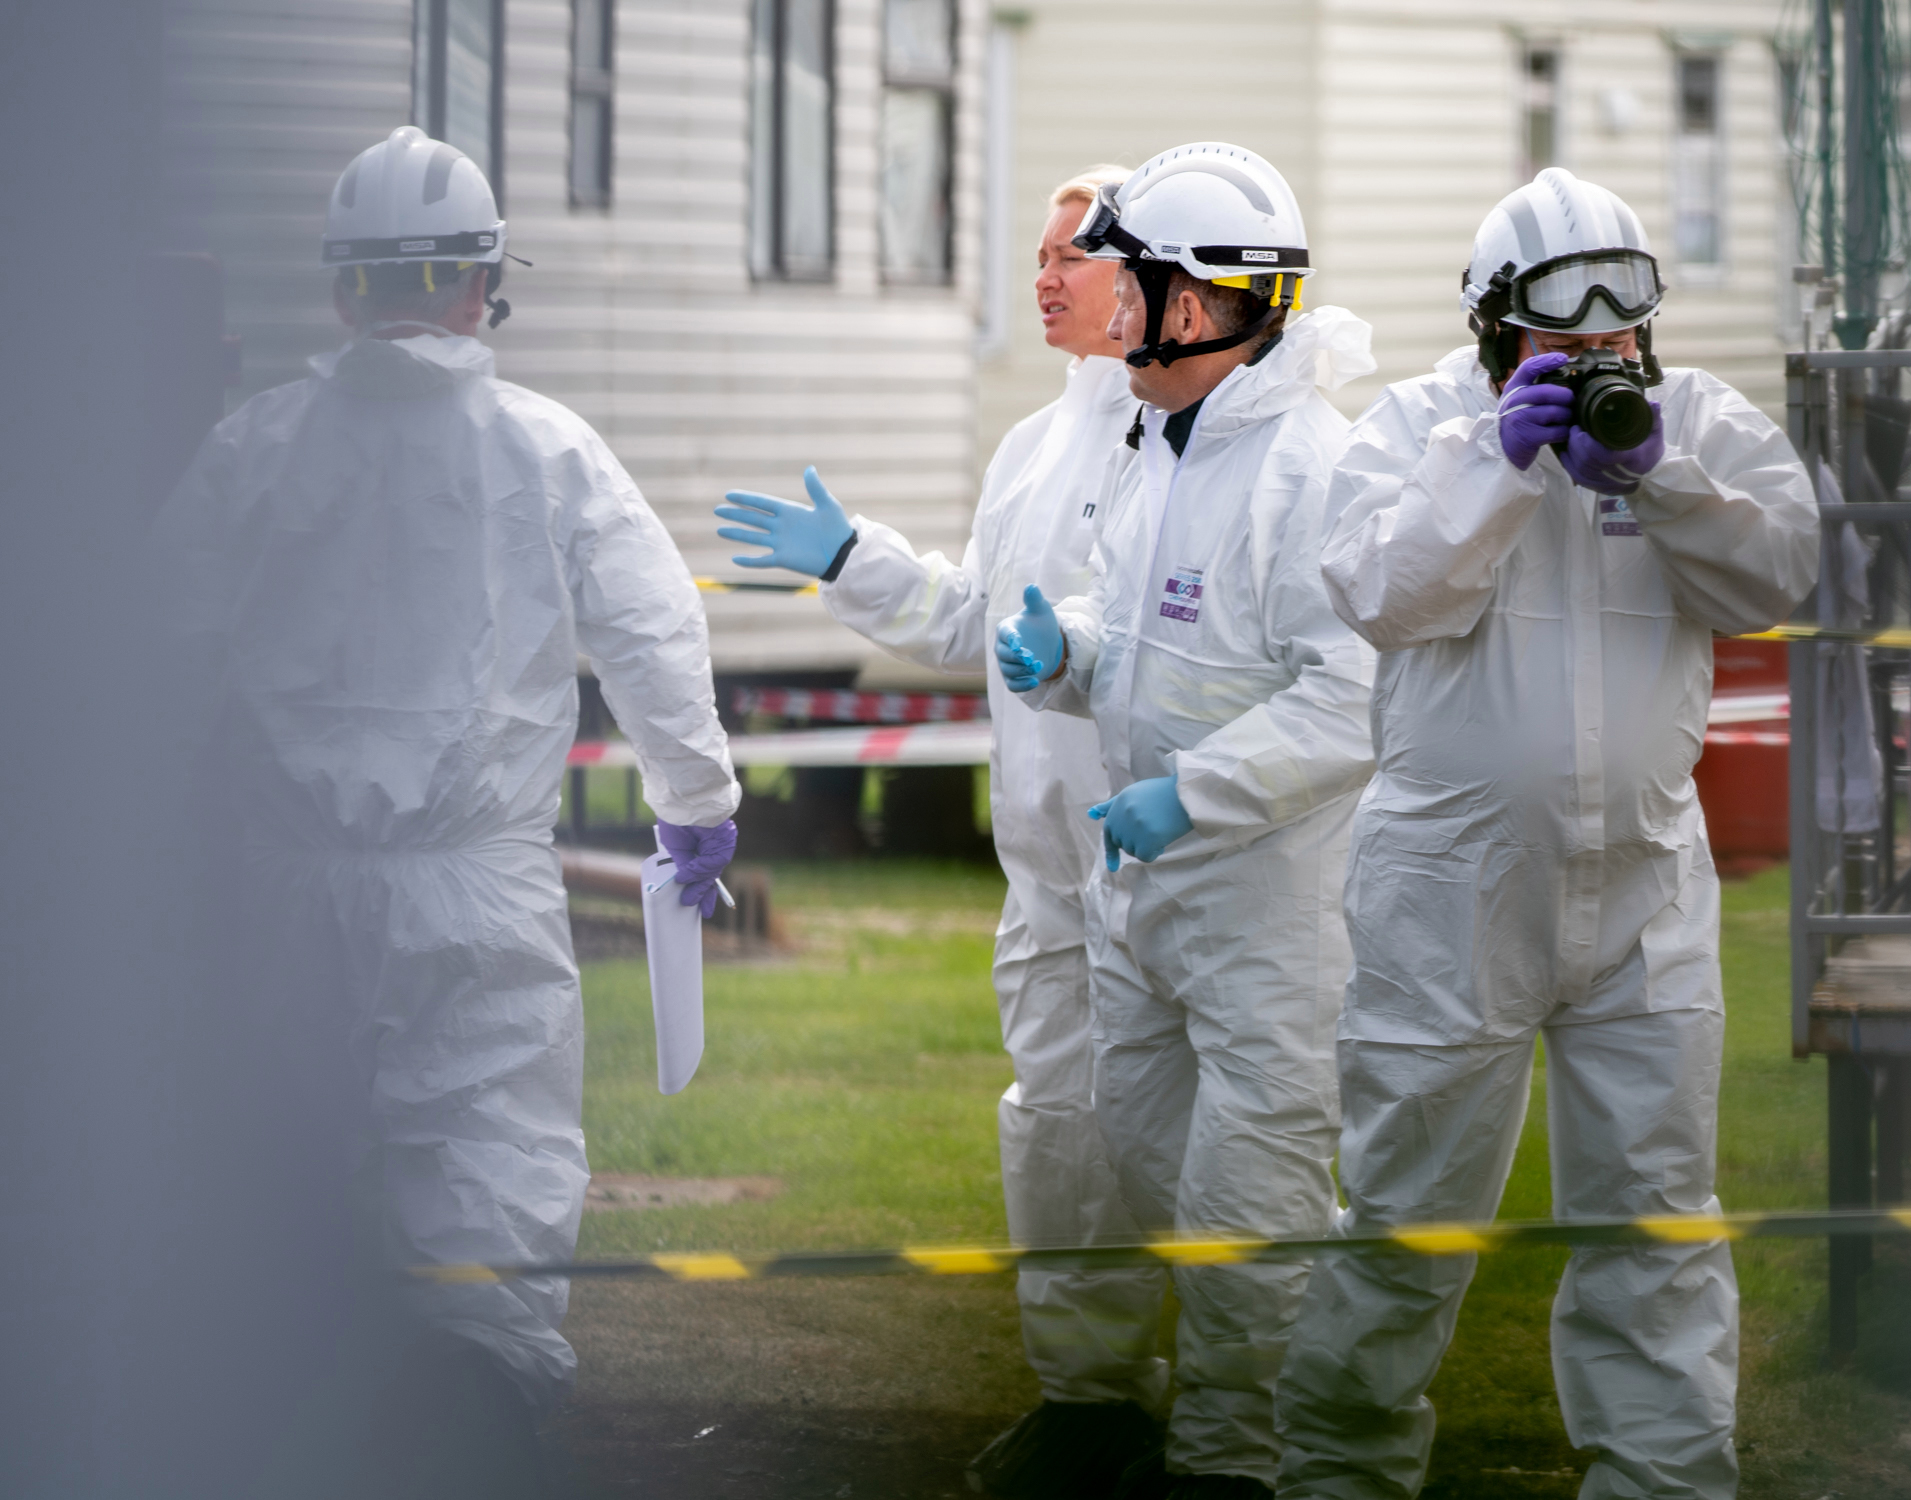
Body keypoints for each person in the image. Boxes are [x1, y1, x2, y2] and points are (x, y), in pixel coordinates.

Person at [161, 125, 741, 1495]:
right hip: (479, 880)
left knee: (280, 1150)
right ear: (485, 283)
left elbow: (151, 654)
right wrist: (696, 802)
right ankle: (476, 1409)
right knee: (488, 1143)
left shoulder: (253, 448)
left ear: (340, 289)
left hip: (278, 879)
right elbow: (655, 636)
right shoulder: (547, 450)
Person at [1273, 167, 1819, 1500]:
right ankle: (1337, 1473)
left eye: (1615, 329)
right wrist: (1497, 467)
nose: (1592, 356)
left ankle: (1664, 1481)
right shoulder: (1415, 427)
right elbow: (1376, 594)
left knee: (1655, 1215)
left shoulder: (1700, 422)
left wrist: (1661, 477)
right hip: (1450, 889)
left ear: (1649, 322)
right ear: (1490, 327)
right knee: (1404, 1212)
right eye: (1555, 332)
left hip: (1642, 878)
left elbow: (1782, 573)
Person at [713, 166, 1174, 1500]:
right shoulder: (1032, 446)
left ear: (1146, 271)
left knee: (1216, 1152)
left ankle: (1244, 1429)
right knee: (1058, 1138)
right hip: (1045, 875)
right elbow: (974, 620)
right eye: (1035, 257)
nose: (1039, 280)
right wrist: (851, 554)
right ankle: (1090, 1407)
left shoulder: (1193, 436)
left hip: (1186, 866)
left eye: (1067, 259)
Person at [994, 142, 1379, 1500]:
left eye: (1133, 279)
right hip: (1139, 899)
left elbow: (1348, 699)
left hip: (1267, 915)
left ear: (1204, 302)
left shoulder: (1314, 476)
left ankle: (1237, 1464)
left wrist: (1196, 795)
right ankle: (1262, 1425)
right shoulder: (1161, 443)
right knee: (1157, 1179)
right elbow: (1162, 639)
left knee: (1248, 1213)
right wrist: (1073, 657)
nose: (1108, 306)